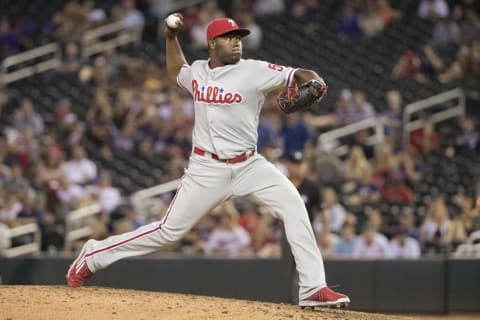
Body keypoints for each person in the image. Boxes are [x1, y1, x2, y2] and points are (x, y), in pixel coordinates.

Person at [66, 14, 350, 308]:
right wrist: (170, 37)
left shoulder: (255, 71)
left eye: (239, 38)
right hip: (207, 168)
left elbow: (300, 74)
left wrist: (316, 81)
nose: (237, 43)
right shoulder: (199, 71)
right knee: (167, 232)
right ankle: (94, 254)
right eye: (229, 38)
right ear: (212, 43)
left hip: (249, 165)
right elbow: (177, 71)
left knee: (294, 205)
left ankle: (312, 287)